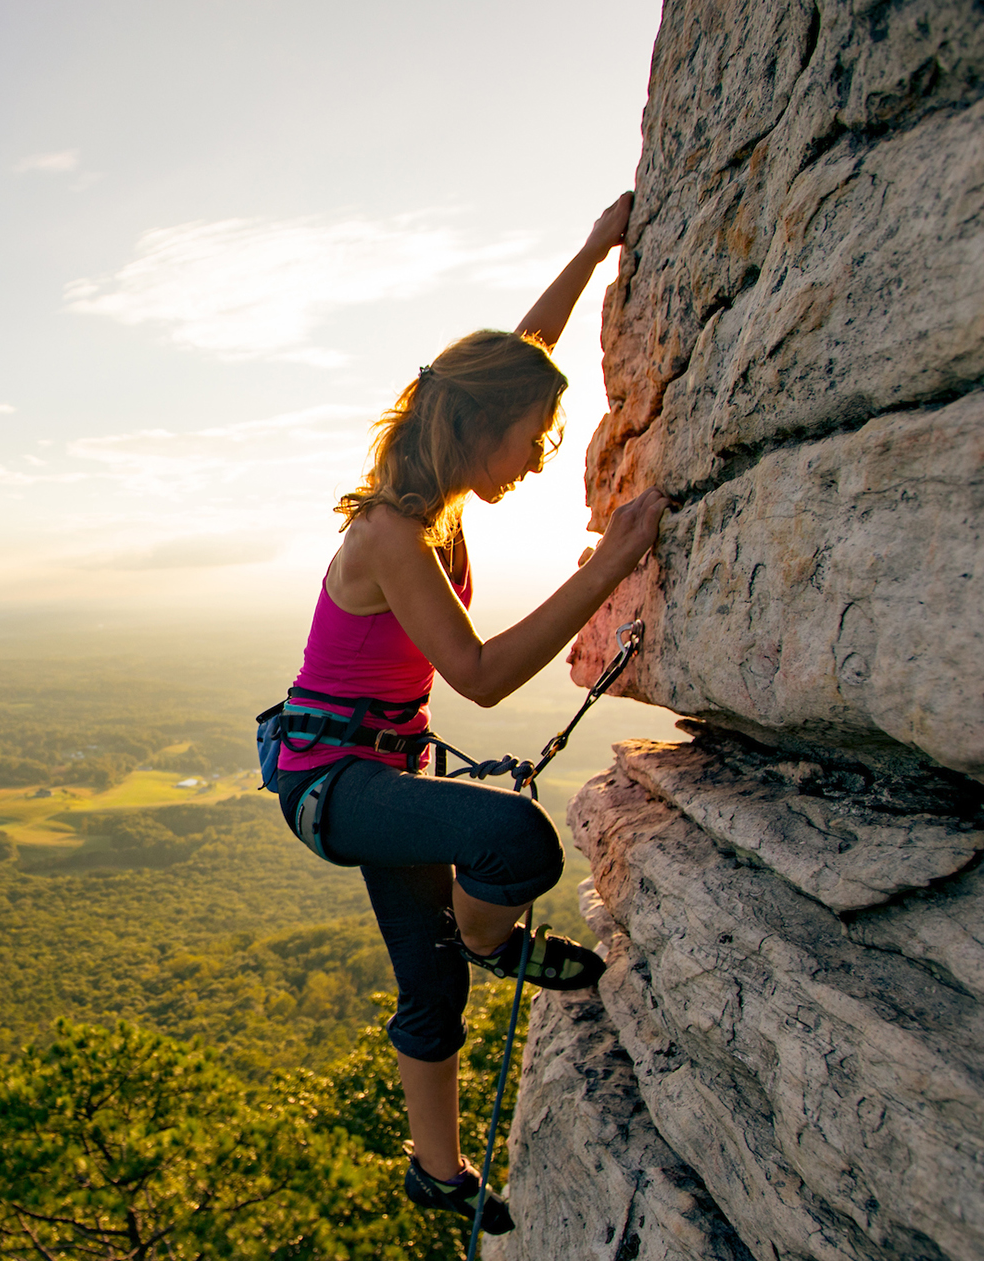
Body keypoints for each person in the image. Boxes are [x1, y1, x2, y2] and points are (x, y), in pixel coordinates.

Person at [268, 191, 672, 1229]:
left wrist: (591, 253)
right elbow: (481, 675)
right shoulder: (393, 536)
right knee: (513, 843)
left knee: (429, 990)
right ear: (476, 430)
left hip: (377, 773)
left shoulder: (436, 487)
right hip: (337, 786)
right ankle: (492, 941)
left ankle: (435, 1172)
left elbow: (516, 355)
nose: (538, 458)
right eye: (530, 441)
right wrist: (612, 564)